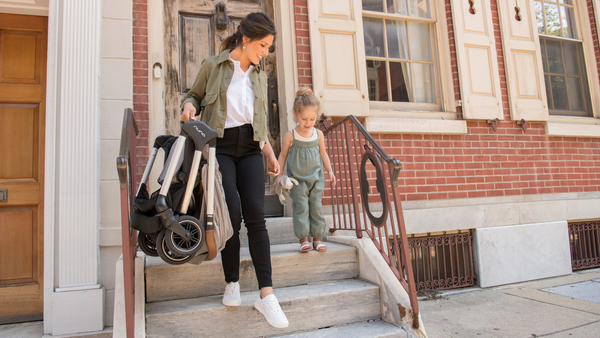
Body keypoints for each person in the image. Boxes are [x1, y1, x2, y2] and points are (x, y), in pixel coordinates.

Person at [180, 12, 288, 329]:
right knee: (232, 214)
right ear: (245, 39)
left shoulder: (258, 76)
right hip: (220, 148)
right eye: (263, 45)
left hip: (251, 149)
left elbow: (258, 124)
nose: (265, 53)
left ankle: (267, 295)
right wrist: (188, 106)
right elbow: (193, 96)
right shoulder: (212, 66)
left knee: (256, 214)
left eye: (269, 47)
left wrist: (269, 153)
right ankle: (232, 281)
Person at [277, 88, 336, 253]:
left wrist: (330, 171)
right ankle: (303, 239)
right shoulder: (291, 135)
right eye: (304, 118)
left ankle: (317, 239)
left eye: (312, 118)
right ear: (295, 115)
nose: (308, 122)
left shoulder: (318, 134)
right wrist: (279, 174)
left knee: (316, 207)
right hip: (297, 180)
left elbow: (323, 154)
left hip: (316, 178)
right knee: (301, 207)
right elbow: (282, 155)